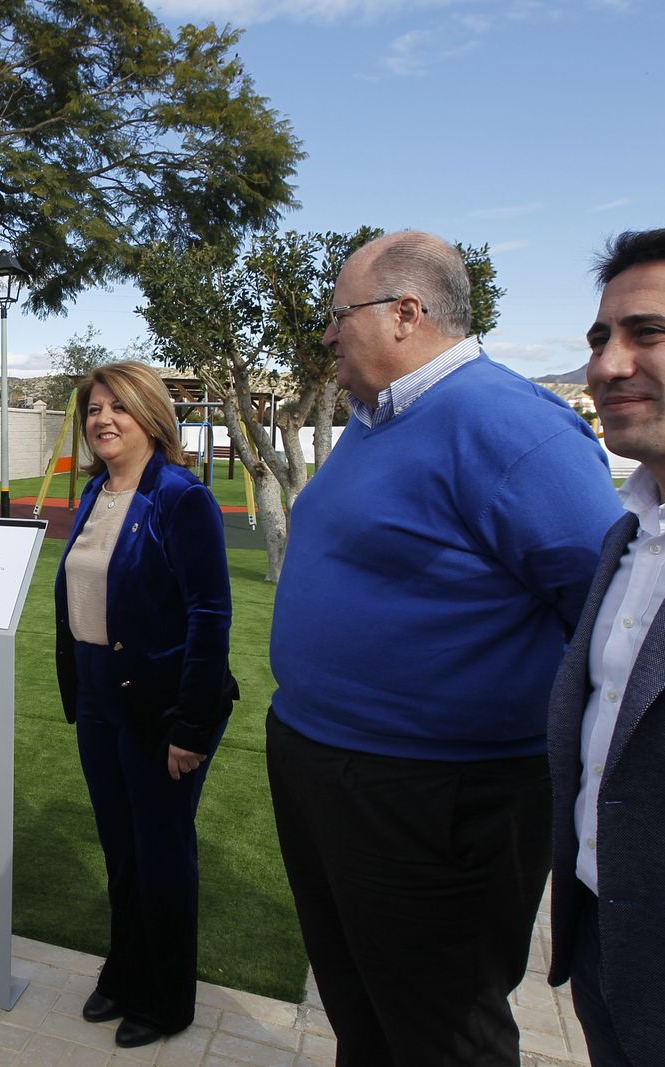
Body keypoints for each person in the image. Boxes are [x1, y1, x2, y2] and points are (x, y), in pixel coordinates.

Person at [266, 230, 624, 1066]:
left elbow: (606, 613)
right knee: (364, 1005)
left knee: (442, 1027)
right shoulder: (376, 420)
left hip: (433, 798)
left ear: (405, 313)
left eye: (337, 315)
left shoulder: (510, 427)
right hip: (332, 766)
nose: (326, 334)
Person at [547, 225, 665, 1066]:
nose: (607, 364)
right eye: (600, 338)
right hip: (606, 962)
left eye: (649, 333)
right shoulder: (629, 535)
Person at [52, 360, 236, 1049]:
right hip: (99, 698)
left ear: (150, 416)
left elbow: (210, 615)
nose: (102, 418)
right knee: (121, 848)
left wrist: (189, 726)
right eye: (94, 408)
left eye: (117, 407)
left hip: (161, 706)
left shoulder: (180, 497)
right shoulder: (96, 491)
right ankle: (126, 970)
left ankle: (167, 998)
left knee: (161, 853)